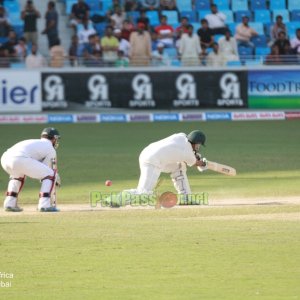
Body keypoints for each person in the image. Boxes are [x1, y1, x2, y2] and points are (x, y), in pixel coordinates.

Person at [128, 130, 207, 196]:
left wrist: (194, 156)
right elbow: (195, 163)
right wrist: (204, 164)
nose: (198, 147)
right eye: (198, 145)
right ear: (197, 144)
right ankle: (118, 199)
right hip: (152, 161)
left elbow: (185, 154)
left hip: (148, 153)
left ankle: (185, 196)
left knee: (179, 166)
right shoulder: (187, 152)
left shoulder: (182, 136)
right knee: (143, 193)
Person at [1, 128, 61, 212]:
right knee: (51, 175)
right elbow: (46, 171)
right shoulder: (50, 148)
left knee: (17, 176)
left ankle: (9, 203)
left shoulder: (35, 142)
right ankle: (44, 205)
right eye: (56, 139)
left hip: (5, 158)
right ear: (54, 138)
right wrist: (56, 177)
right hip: (20, 159)